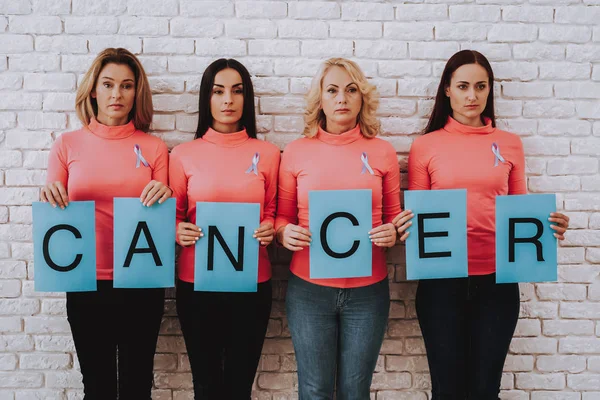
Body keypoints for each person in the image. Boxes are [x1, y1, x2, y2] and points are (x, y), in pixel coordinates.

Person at [393, 49, 570, 400]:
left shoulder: (509, 144)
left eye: (480, 86)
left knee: (486, 390)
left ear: (490, 90)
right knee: (448, 391)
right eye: (462, 86)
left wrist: (550, 227)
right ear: (447, 90)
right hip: (441, 283)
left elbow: (518, 209)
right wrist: (404, 225)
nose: (472, 96)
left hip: (497, 283)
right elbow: (420, 216)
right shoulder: (426, 146)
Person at [41, 47, 171, 400]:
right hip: (85, 280)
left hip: (142, 279)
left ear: (136, 93)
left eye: (127, 86)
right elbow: (53, 205)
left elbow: (165, 217)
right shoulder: (67, 145)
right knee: (96, 387)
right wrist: (51, 193)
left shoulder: (155, 148)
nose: (117, 94)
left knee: (136, 387)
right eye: (109, 84)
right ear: (94, 90)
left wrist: (164, 192)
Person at [275, 57, 401, 400]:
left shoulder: (382, 151)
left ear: (362, 98)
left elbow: (395, 218)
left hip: (368, 292)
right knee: (314, 391)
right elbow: (280, 218)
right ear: (321, 99)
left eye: (351, 90)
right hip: (308, 292)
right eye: (332, 90)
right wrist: (284, 233)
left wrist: (392, 233)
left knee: (355, 392)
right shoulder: (297, 152)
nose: (342, 98)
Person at [169, 58, 280, 400]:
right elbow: (171, 216)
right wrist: (177, 231)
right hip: (196, 284)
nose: (228, 100)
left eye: (237, 91)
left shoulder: (269, 154)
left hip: (252, 284)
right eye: (219, 92)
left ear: (247, 99)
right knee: (205, 385)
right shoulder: (183, 155)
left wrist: (269, 228)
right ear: (206, 98)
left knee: (238, 386)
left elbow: (274, 211)